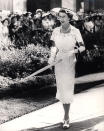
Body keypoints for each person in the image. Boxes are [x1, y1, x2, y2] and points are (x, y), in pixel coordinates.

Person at [48, 8, 85, 129]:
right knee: (62, 88)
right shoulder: (55, 31)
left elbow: (83, 47)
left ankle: (66, 117)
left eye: (64, 17)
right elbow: (53, 46)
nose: (61, 19)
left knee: (67, 89)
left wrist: (71, 52)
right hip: (59, 62)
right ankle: (65, 114)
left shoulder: (75, 31)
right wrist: (52, 57)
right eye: (60, 16)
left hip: (69, 62)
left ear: (69, 18)